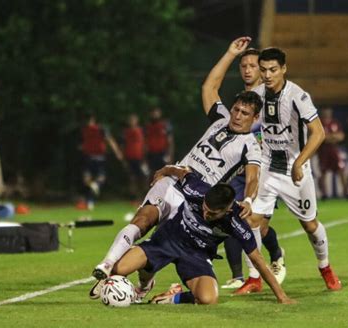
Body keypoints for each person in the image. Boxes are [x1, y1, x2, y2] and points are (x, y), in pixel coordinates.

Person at [91, 37, 263, 287]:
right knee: (142, 220)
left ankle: (148, 280)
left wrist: (248, 199)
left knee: (164, 244)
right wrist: (229, 54)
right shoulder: (220, 119)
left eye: (243, 113)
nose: (236, 115)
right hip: (173, 180)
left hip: (195, 201)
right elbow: (209, 88)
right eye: (235, 109)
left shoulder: (251, 145)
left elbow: (253, 176)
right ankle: (106, 267)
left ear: (254, 118)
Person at [235, 46, 342, 294]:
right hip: (268, 169)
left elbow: (319, 133)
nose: (268, 75)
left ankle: (325, 268)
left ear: (284, 69)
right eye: (264, 70)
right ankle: (254, 279)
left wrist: (298, 162)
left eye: (273, 70)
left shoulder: (298, 96)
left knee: (310, 225)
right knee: (250, 220)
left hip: (296, 171)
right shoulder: (257, 94)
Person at [109, 167, 295, 305]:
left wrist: (281, 296)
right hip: (167, 240)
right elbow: (181, 172)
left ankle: (174, 297)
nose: (206, 214)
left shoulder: (236, 222)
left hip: (196, 255)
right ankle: (145, 277)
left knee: (209, 299)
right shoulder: (195, 188)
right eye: (205, 208)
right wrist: (163, 172)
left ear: (227, 209)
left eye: (212, 214)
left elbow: (258, 260)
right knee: (118, 270)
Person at [223, 47, 286, 289]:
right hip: (242, 171)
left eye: (253, 66)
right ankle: (240, 276)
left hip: (267, 170)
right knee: (231, 218)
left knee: (258, 225)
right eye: (244, 66)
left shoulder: (271, 97)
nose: (248, 70)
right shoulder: (241, 100)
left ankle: (276, 254)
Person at [77, 113, 123, 210]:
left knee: (87, 180)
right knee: (100, 178)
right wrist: (117, 152)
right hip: (98, 157)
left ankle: (90, 201)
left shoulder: (85, 129)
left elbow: (81, 145)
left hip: (89, 157)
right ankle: (93, 192)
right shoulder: (101, 128)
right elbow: (110, 140)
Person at [317, 107, 348, 199]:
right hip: (323, 151)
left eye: (329, 112)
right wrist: (332, 137)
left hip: (334, 150)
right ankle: (324, 194)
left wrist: (330, 138)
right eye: (325, 112)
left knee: (341, 171)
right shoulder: (319, 123)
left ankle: (346, 193)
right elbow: (321, 137)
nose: (327, 113)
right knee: (323, 172)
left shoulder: (335, 123)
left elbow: (341, 136)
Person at [144, 107, 174, 179]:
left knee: (164, 173)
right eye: (153, 113)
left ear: (160, 113)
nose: (155, 114)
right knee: (151, 175)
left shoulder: (165, 124)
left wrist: (170, 155)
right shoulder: (147, 126)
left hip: (162, 153)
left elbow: (170, 141)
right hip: (151, 154)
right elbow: (145, 142)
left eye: (156, 113)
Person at [122, 113, 147, 200]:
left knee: (143, 177)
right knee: (132, 178)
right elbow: (123, 145)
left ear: (137, 121)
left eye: (133, 120)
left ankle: (143, 195)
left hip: (139, 158)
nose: (132, 122)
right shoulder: (126, 132)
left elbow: (144, 144)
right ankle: (133, 197)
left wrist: (145, 157)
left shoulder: (141, 131)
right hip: (129, 158)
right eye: (130, 120)